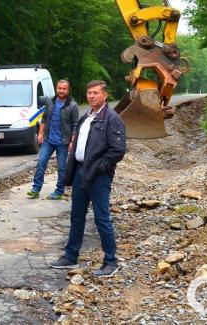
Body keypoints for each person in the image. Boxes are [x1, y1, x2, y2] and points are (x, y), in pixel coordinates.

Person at [49, 80, 126, 277]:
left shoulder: (111, 118)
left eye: (95, 93)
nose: (91, 96)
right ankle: (70, 255)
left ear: (105, 95)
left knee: (101, 218)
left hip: (98, 175)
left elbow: (118, 149)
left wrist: (101, 166)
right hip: (80, 172)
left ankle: (110, 261)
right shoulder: (86, 117)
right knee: (76, 215)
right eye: (89, 93)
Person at [27, 79, 79, 200]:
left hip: (63, 142)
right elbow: (44, 119)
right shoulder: (50, 101)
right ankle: (35, 189)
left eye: (64, 88)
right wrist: (40, 134)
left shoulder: (73, 105)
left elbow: (75, 125)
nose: (61, 90)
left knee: (61, 167)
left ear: (68, 89)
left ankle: (59, 191)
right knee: (41, 163)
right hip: (48, 140)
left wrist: (72, 141)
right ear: (56, 89)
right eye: (59, 88)